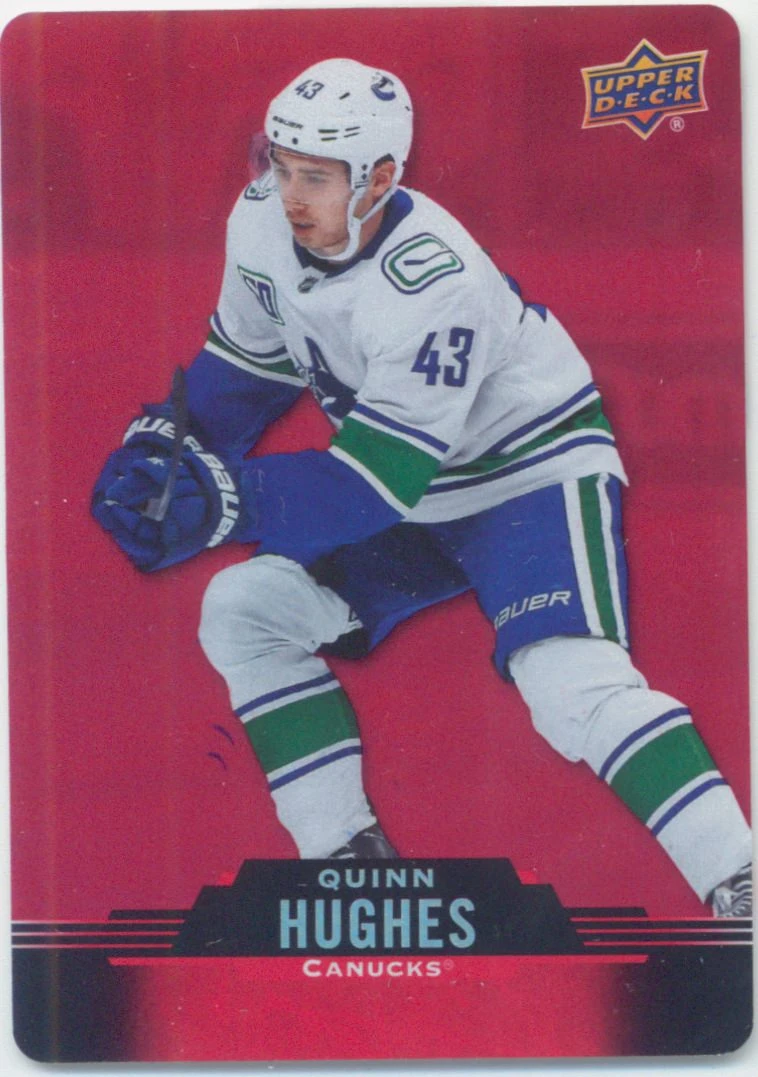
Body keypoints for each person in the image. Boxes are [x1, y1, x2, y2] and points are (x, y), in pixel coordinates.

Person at [92, 58, 752, 916]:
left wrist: (222, 502)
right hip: (411, 486)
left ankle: (738, 875)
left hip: (524, 474)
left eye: (316, 177)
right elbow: (244, 371)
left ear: (380, 179)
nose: (289, 196)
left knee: (567, 681)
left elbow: (372, 484)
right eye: (281, 166)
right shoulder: (260, 219)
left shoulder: (437, 279)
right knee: (244, 608)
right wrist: (163, 444)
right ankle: (343, 857)